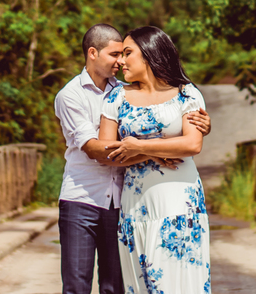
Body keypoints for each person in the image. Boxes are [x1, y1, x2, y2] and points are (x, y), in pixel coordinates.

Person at [54, 24, 211, 294]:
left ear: (149, 54)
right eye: (116, 54)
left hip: (160, 198)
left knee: (119, 286)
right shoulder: (81, 96)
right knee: (79, 286)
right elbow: (97, 149)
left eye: (126, 53)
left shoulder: (185, 92)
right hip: (89, 196)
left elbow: (192, 143)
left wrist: (145, 147)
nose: (121, 61)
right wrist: (157, 152)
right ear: (93, 53)